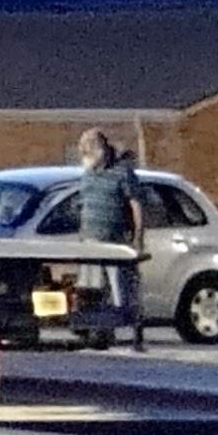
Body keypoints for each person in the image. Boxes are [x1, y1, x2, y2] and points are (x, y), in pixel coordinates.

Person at [73, 131, 145, 310]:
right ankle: (97, 327)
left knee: (118, 290)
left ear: (100, 151)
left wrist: (138, 237)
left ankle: (123, 317)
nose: (84, 157)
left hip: (114, 242)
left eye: (87, 152)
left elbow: (136, 205)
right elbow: (82, 203)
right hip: (90, 241)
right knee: (91, 290)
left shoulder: (122, 173)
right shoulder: (88, 174)